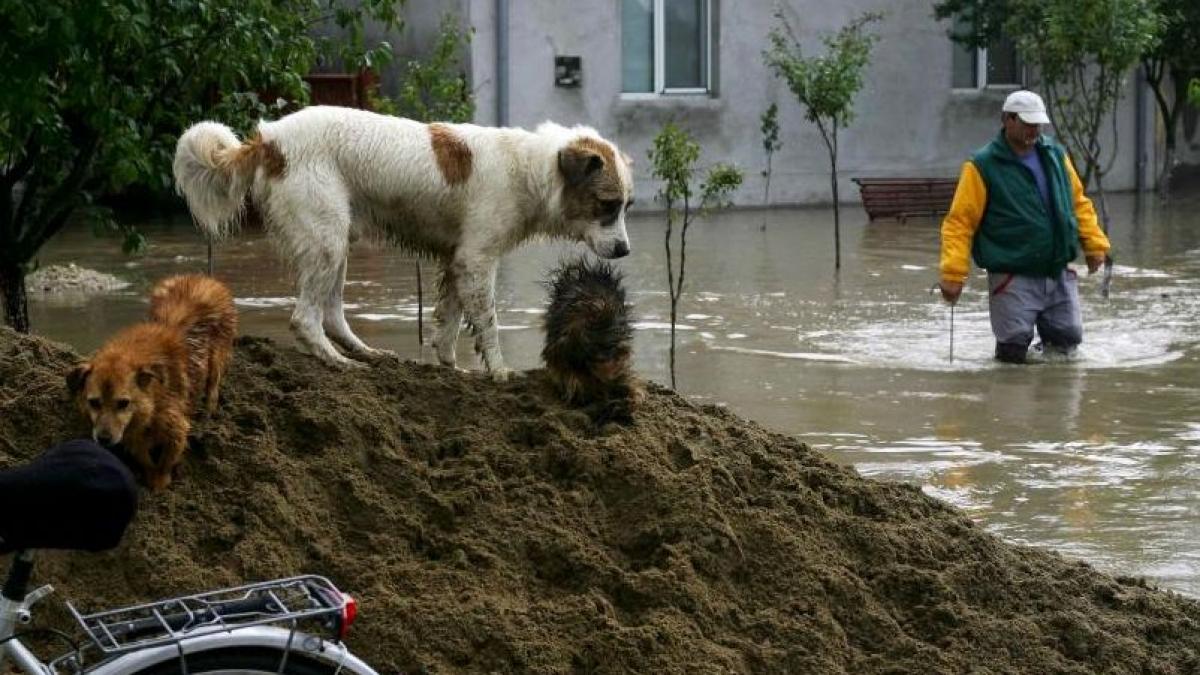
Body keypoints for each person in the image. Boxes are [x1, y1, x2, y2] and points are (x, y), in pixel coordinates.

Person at [939, 90, 1111, 364]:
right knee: (1012, 352)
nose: (1034, 130)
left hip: (1057, 270)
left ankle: (1052, 406)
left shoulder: (1055, 155)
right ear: (1007, 120)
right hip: (1012, 275)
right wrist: (953, 273)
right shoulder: (982, 166)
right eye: (1027, 123)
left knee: (1067, 346)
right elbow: (960, 222)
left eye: (1038, 124)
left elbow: (1077, 202)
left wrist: (1094, 243)